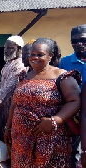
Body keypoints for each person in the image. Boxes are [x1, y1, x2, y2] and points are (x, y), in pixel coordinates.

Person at [4, 38, 81, 167]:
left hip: (50, 140)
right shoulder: (24, 76)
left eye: (40, 54)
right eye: (32, 54)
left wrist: (55, 120)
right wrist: (8, 128)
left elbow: (74, 101)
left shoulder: (62, 76)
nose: (35, 58)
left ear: (50, 56)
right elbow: (14, 104)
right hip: (21, 141)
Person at [58, 24, 86, 167]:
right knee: (73, 152)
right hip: (73, 115)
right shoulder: (65, 62)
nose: (79, 44)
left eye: (83, 40)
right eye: (74, 41)